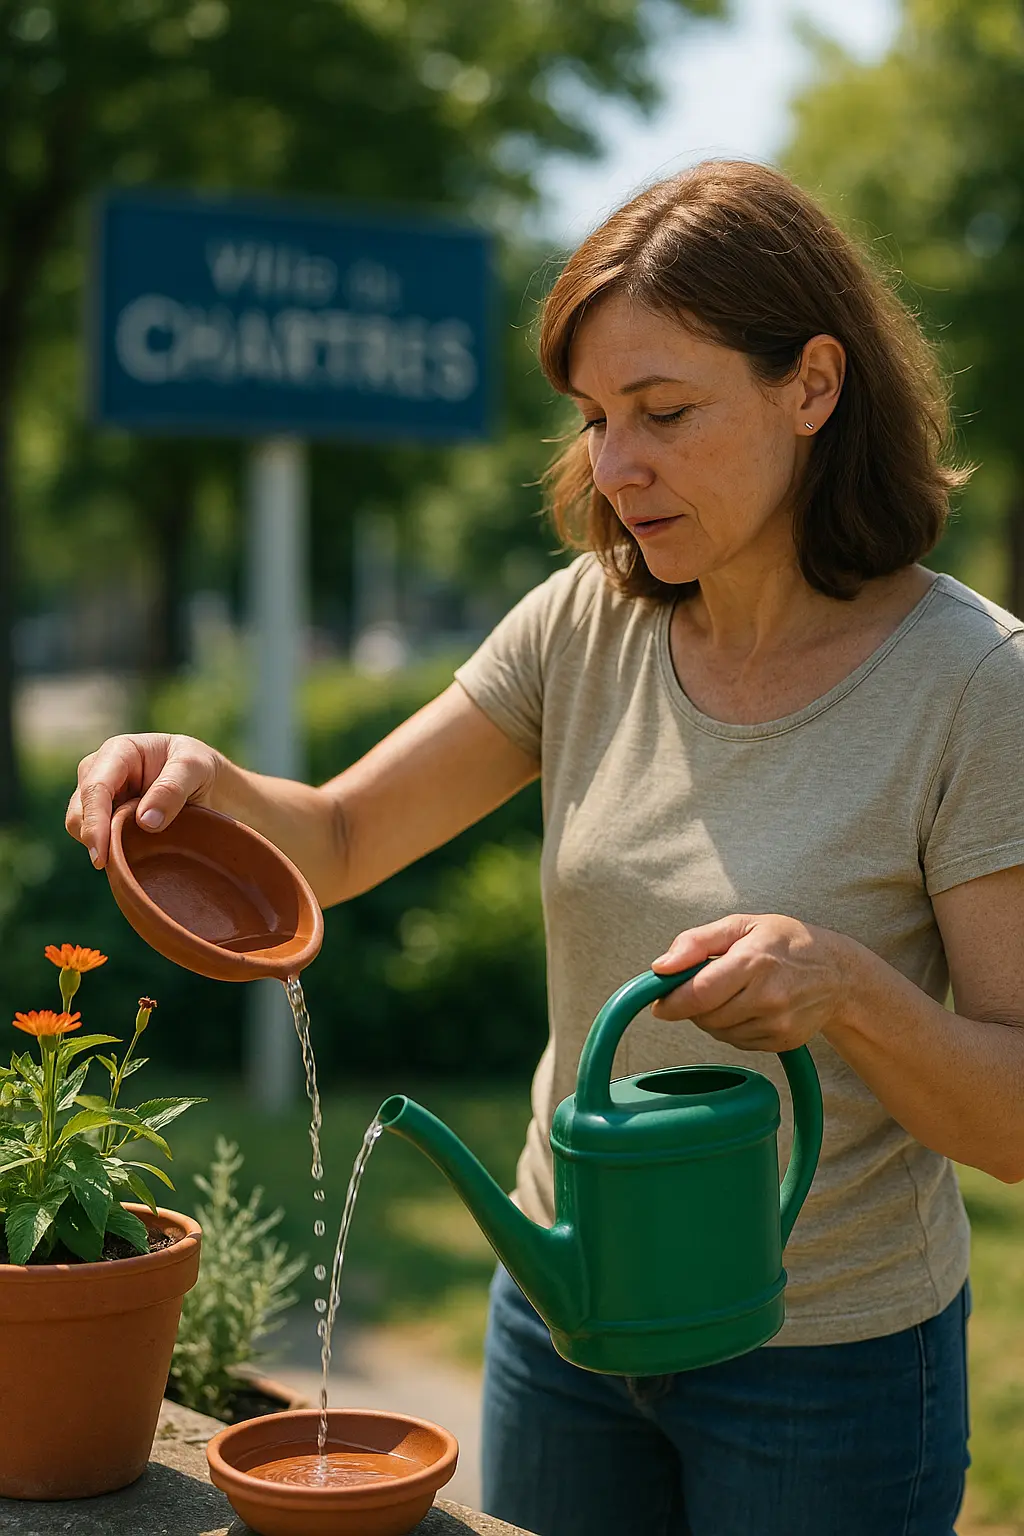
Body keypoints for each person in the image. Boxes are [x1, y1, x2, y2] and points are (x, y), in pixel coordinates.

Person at [68, 160, 1024, 1536]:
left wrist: (848, 991)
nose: (613, 465)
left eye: (664, 412)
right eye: (592, 418)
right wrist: (206, 783)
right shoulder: (588, 622)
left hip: (829, 1372)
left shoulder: (974, 683)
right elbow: (336, 837)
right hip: (565, 1324)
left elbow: (1011, 1121)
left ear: (813, 386)